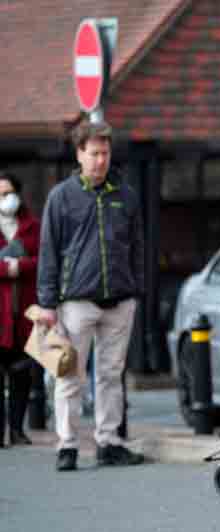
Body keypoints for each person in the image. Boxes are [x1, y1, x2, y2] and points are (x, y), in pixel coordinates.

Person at [37, 121, 144, 471]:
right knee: (70, 376)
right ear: (79, 154)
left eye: (106, 153)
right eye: (94, 153)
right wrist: (48, 303)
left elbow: (137, 248)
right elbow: (49, 252)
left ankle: (108, 441)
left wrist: (135, 290)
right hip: (75, 303)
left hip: (120, 301)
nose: (101, 160)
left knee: (112, 375)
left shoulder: (125, 196)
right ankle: (67, 446)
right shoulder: (61, 198)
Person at [0, 171, 40, 448]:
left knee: (22, 373)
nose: (5, 199)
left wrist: (20, 266)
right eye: (0, 195)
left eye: (8, 193)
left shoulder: (33, 226)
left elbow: (45, 259)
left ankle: (17, 428)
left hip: (25, 312)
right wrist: (6, 268)